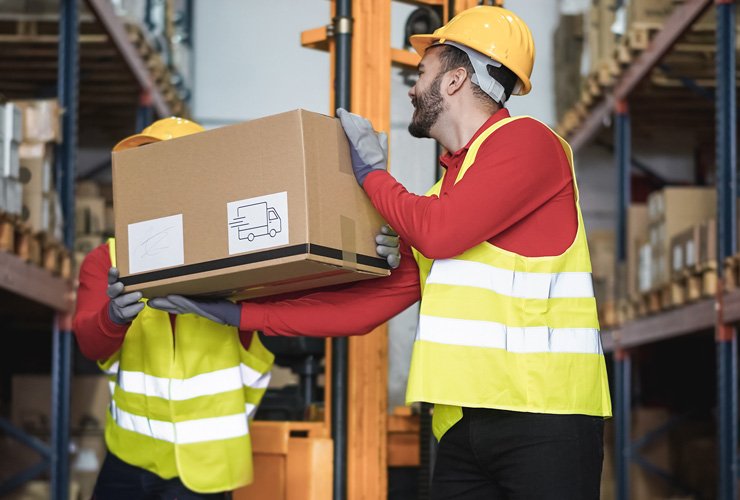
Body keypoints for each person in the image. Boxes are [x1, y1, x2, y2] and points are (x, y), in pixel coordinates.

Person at [149, 6, 612, 499]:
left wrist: (372, 172)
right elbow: (364, 308)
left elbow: (437, 233)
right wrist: (238, 314)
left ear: (456, 81)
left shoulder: (529, 143)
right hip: (460, 424)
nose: (412, 89)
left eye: (421, 73)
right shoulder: (442, 197)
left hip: (544, 419)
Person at [73, 116, 403, 499]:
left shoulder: (246, 257)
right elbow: (89, 343)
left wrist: (377, 245)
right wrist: (112, 317)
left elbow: (330, 296)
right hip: (130, 461)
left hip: (209, 469)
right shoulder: (108, 259)